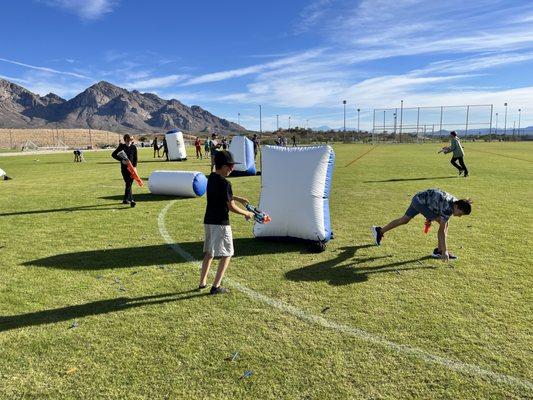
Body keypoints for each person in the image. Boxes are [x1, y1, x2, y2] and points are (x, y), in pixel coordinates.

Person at [199, 150, 254, 294]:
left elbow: (223, 195)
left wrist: (238, 198)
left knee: (209, 253)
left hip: (208, 221)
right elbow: (230, 206)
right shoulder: (226, 183)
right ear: (222, 166)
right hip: (221, 223)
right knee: (227, 253)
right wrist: (246, 213)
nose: (232, 169)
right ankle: (216, 287)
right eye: (229, 166)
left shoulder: (211, 177)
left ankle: (202, 283)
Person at [371, 189, 472, 261]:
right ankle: (440, 251)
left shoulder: (455, 202)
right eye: (461, 214)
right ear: (457, 207)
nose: (460, 216)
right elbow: (441, 231)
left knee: (404, 220)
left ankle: (379, 231)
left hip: (419, 198)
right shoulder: (448, 208)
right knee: (443, 224)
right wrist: (446, 251)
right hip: (420, 202)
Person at [111, 134, 138, 208]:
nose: (129, 142)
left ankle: (126, 200)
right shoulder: (121, 146)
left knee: (129, 184)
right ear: (125, 140)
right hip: (124, 168)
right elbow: (113, 154)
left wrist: (135, 167)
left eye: (131, 140)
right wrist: (121, 160)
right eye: (128, 140)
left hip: (132, 168)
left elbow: (135, 158)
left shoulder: (134, 147)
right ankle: (132, 200)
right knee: (128, 183)